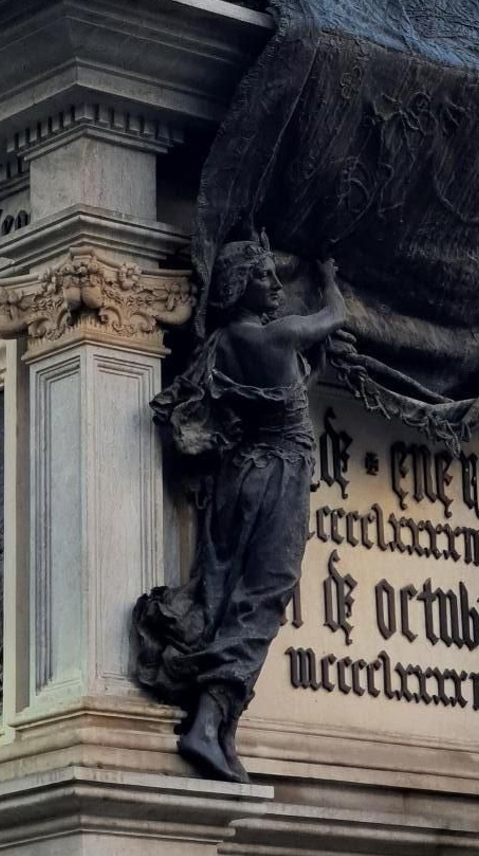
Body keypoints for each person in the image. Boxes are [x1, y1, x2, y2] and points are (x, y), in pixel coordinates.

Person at [132, 239, 347, 784]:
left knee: (228, 590)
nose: (275, 287)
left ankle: (222, 729)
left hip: (240, 479)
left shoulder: (222, 343)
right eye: (264, 278)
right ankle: (206, 724)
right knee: (263, 595)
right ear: (237, 287)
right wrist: (325, 273)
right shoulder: (278, 335)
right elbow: (336, 315)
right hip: (280, 477)